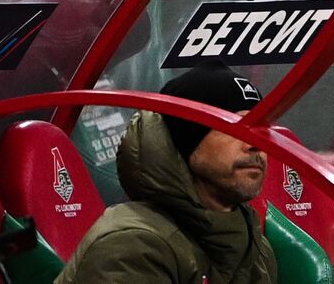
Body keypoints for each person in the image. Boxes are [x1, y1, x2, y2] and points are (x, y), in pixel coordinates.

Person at [56, 61, 278, 284]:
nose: (254, 144)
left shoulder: (255, 245)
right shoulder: (134, 245)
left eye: (260, 130)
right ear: (186, 139)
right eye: (234, 127)